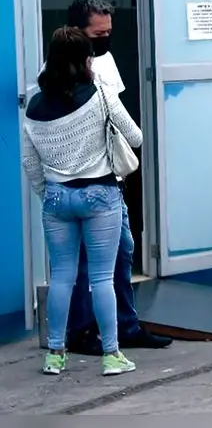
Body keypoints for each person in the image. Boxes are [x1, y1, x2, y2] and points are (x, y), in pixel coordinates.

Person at [22, 27, 143, 376]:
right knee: (102, 279)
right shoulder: (102, 95)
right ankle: (111, 355)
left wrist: (50, 195)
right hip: (99, 194)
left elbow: (30, 163)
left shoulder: (35, 103)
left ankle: (55, 355)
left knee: (62, 277)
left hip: (57, 197)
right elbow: (134, 138)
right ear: (86, 59)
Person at [62, 0, 171, 356]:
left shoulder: (105, 61)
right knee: (81, 262)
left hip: (110, 177)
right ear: (77, 32)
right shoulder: (57, 72)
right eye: (98, 33)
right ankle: (80, 331)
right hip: (81, 180)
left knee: (123, 251)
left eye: (109, 31)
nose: (105, 39)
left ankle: (125, 325)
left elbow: (122, 120)